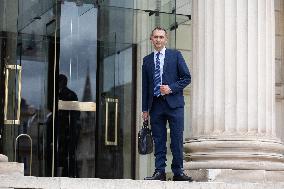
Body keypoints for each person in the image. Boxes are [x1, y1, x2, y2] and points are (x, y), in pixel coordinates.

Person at [142, 27, 192, 181]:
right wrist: (145, 109)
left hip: (175, 105)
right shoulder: (147, 60)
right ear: (151, 39)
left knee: (176, 139)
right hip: (156, 105)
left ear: (166, 39)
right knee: (159, 140)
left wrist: (170, 88)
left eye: (161, 37)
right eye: (155, 37)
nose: (158, 40)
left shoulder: (175, 55)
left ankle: (178, 172)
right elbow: (145, 86)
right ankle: (159, 172)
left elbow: (186, 78)